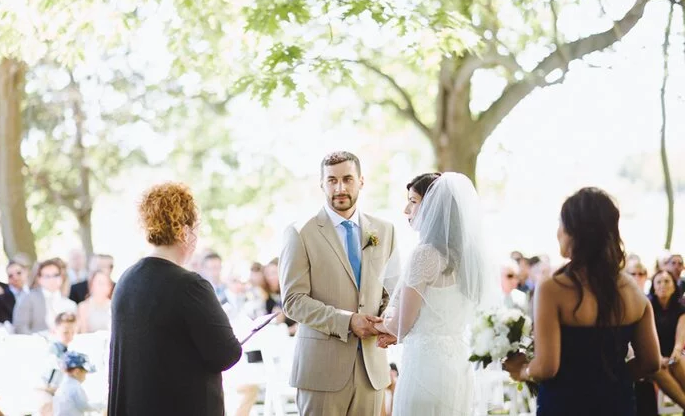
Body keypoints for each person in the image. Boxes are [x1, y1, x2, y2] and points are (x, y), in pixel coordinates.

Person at [504, 187, 661, 415]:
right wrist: (613, 379)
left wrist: (522, 371)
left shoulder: (552, 289)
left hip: (565, 406)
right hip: (616, 405)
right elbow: (651, 363)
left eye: (561, 223)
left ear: (575, 232)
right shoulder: (633, 292)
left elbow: (547, 367)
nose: (558, 231)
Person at [108, 182, 242, 415]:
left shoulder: (125, 281)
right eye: (195, 229)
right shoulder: (191, 286)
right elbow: (226, 354)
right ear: (184, 231)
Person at [279, 151, 396, 415]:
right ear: (322, 184)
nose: (340, 188)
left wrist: (389, 320)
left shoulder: (384, 230)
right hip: (321, 372)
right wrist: (347, 321)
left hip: (371, 370)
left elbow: (390, 291)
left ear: (361, 181)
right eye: (331, 180)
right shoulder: (300, 232)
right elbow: (293, 301)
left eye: (347, 179)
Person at [375, 172, 490, 415]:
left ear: (433, 207)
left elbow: (402, 325)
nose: (407, 209)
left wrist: (382, 326)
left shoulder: (425, 255)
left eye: (413, 201)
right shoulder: (471, 259)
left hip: (425, 368)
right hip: (458, 366)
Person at [647, 269, 685, 407]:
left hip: (674, 353)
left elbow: (680, 339)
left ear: (674, 286)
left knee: (678, 361)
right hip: (653, 355)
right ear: (654, 287)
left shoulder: (681, 308)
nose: (663, 285)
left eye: (667, 281)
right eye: (659, 282)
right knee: (656, 370)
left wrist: (675, 353)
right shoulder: (647, 306)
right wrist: (657, 357)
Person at [13, 259, 76, 334]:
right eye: (47, 276)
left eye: (56, 275)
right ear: (39, 279)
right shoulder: (28, 298)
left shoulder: (69, 304)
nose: (52, 279)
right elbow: (20, 327)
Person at [54, 352, 105, 416]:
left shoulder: (63, 386)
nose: (85, 377)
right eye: (85, 373)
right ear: (77, 372)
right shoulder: (74, 387)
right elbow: (84, 406)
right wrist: (101, 406)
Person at [0, 260, 29, 325]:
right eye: (10, 276)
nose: (15, 278)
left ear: (26, 272)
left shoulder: (37, 294)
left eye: (18, 273)